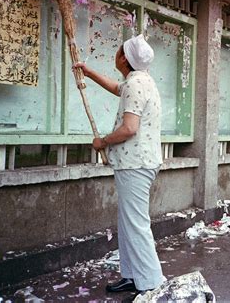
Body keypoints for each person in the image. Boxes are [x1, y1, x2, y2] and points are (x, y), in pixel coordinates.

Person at [75, 34, 164, 297]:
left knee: (136, 224)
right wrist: (89, 73)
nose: (116, 54)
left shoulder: (137, 85)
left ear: (124, 58)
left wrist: (102, 141)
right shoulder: (137, 81)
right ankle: (133, 277)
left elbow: (129, 129)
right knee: (127, 223)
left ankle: (150, 285)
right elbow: (117, 88)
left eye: (118, 51)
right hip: (134, 164)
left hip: (136, 165)